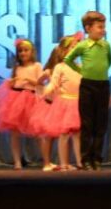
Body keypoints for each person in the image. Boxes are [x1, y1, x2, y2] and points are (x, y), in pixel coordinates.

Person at [64, 10, 111, 170]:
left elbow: (109, 60)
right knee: (87, 123)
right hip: (87, 86)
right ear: (88, 28)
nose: (103, 30)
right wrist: (82, 71)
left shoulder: (106, 45)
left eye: (103, 26)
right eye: (99, 27)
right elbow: (68, 59)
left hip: (103, 86)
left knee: (101, 124)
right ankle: (85, 159)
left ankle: (97, 158)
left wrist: (101, 72)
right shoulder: (83, 45)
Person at [0, 38, 44, 169]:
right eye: (20, 51)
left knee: (37, 131)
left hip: (30, 99)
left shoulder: (37, 66)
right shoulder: (17, 67)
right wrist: (11, 83)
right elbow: (13, 85)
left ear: (32, 51)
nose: (23, 53)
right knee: (14, 132)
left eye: (25, 50)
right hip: (16, 100)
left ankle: (45, 160)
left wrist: (28, 79)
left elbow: (40, 83)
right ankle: (17, 161)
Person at [37, 33, 84, 170]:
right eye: (72, 47)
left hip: (77, 103)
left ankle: (80, 162)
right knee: (64, 134)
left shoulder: (80, 67)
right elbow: (54, 83)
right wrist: (46, 90)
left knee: (77, 134)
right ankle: (64, 163)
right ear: (64, 50)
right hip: (64, 102)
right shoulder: (60, 67)